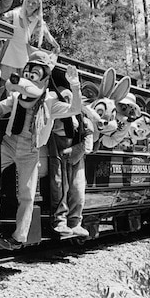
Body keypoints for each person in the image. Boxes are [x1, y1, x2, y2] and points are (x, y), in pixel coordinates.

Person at [0, 51, 83, 250]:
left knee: (27, 195)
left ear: (44, 78)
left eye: (35, 74)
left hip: (30, 151)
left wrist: (75, 86)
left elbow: (74, 109)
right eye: (28, 73)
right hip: (9, 144)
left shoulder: (50, 103)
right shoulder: (17, 96)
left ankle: (18, 237)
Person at [46, 71, 91, 238]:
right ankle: (60, 220)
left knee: (78, 187)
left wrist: (80, 149)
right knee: (59, 185)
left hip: (76, 148)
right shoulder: (54, 106)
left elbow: (89, 132)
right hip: (56, 145)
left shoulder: (80, 116)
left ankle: (75, 221)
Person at [0, 0, 60, 82]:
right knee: (3, 81)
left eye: (34, 3)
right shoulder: (15, 14)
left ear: (38, 6)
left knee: (19, 83)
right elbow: (1, 18)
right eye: (28, 1)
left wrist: (56, 46)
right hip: (9, 52)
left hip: (23, 55)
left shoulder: (37, 20)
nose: (30, 5)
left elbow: (47, 34)